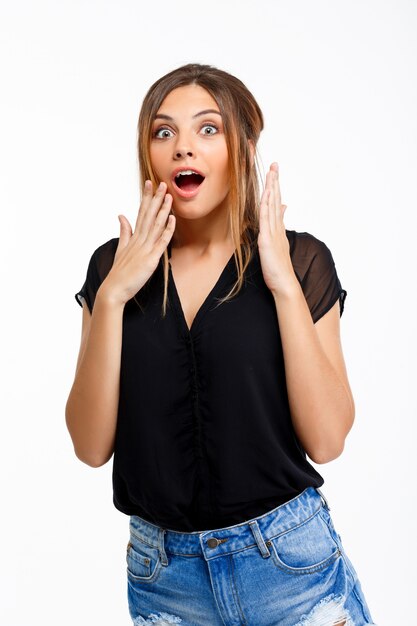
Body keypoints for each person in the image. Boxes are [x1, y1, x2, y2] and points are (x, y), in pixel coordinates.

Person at [66, 63, 376, 626]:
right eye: (164, 132)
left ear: (245, 147)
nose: (184, 147)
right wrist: (111, 299)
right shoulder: (112, 269)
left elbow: (328, 440)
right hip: (167, 584)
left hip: (292, 571)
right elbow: (90, 446)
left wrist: (280, 282)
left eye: (208, 129)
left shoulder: (301, 261)